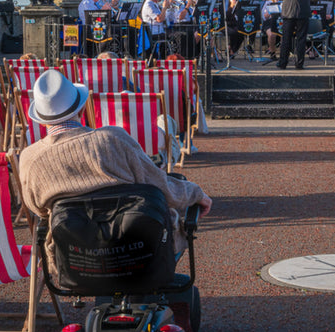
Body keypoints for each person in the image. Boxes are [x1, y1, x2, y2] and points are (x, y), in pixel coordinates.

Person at [19, 70, 212, 280]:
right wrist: (196, 194)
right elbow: (161, 187)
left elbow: (38, 209)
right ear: (81, 108)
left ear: (41, 120)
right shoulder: (113, 139)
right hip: (140, 250)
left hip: (74, 260)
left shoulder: (30, 159)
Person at [273, 0, 321, 70]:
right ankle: (299, 63)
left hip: (288, 11)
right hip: (302, 11)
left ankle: (283, 62)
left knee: (286, 38)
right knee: (301, 38)